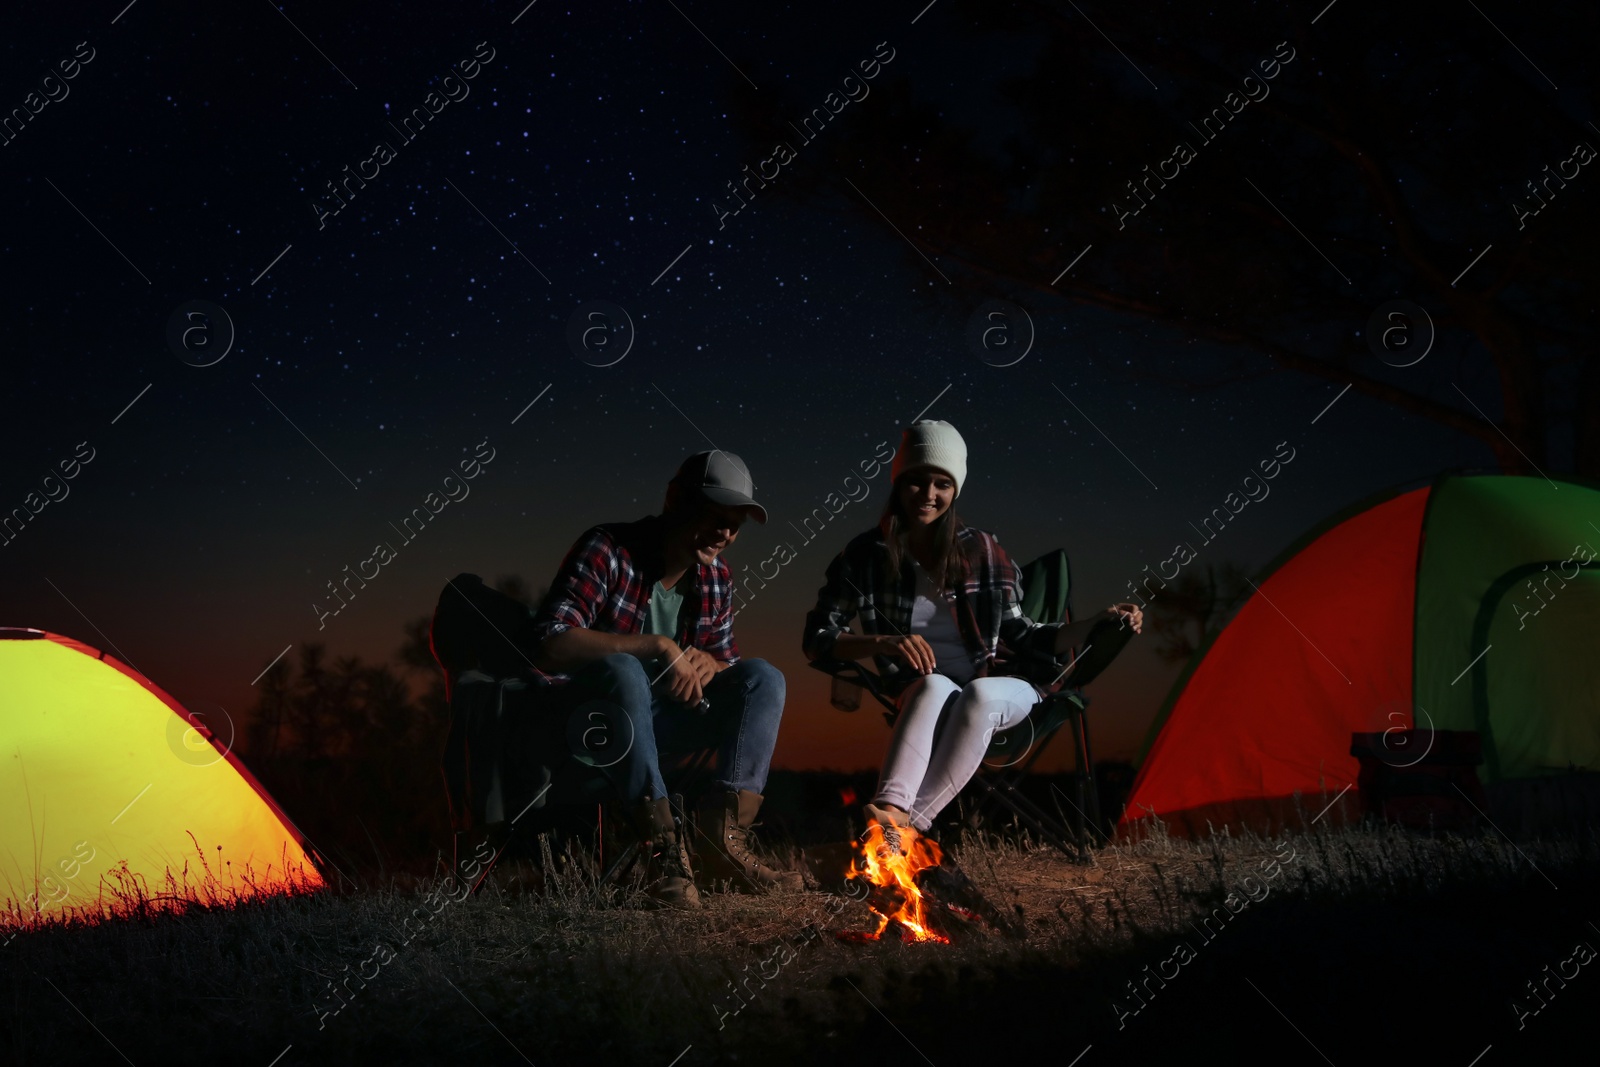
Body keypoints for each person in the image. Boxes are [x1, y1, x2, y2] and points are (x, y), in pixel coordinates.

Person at [801, 420, 1143, 856]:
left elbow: (1028, 635)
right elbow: (817, 636)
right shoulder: (865, 556)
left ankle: (905, 830)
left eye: (942, 483)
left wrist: (1097, 621)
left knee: (977, 693)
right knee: (931, 683)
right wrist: (883, 642)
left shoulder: (982, 549)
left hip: (1004, 685)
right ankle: (890, 814)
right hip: (922, 693)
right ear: (898, 483)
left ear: (955, 489)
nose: (928, 495)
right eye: (916, 481)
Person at [529, 450, 801, 907]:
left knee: (762, 677)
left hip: (667, 725)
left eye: (735, 524)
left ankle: (724, 844)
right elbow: (549, 643)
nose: (725, 533)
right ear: (676, 501)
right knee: (624, 668)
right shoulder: (609, 548)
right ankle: (664, 851)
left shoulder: (716, 578)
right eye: (715, 516)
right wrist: (655, 646)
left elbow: (727, 661)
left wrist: (713, 666)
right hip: (593, 726)